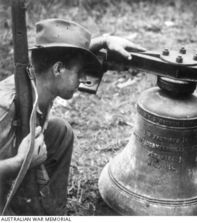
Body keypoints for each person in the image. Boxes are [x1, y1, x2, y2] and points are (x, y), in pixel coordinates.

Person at [0, 18, 144, 215]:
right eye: (80, 72)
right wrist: (19, 162)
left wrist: (104, 41)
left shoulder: (39, 78)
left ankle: (52, 213)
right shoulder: (5, 107)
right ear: (58, 69)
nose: (84, 79)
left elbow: (66, 57)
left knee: (60, 132)